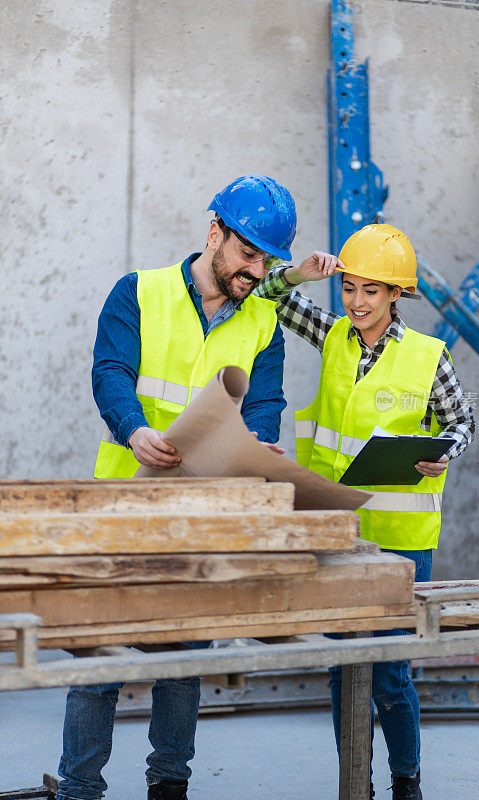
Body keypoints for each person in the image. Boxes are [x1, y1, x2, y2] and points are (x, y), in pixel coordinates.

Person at [57, 175, 327, 800]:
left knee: (183, 658)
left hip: (200, 511)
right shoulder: (139, 293)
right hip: (122, 504)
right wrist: (134, 429)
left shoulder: (263, 322)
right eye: (247, 254)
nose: (256, 271)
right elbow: (111, 371)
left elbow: (264, 403)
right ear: (215, 235)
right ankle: (79, 790)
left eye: (266, 261)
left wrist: (257, 441)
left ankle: (169, 787)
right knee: (101, 657)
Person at [255, 223, 475, 800]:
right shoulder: (330, 335)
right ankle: (357, 782)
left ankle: (407, 782)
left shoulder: (429, 357)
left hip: (402, 538)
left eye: (371, 291)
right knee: (340, 666)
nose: (356, 301)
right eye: (350, 288)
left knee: (389, 670)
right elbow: (265, 295)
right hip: (337, 531)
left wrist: (442, 453)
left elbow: (462, 423)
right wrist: (301, 272)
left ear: (396, 295)